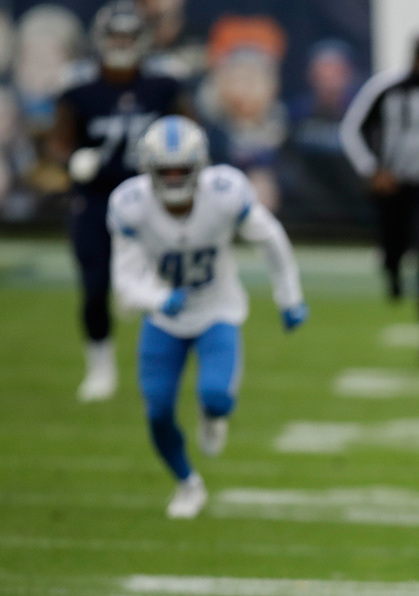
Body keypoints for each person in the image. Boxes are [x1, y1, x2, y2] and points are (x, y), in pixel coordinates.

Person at [108, 115, 306, 518]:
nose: (176, 177)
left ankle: (213, 416)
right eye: (167, 170)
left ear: (200, 166)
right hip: (164, 317)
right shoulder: (130, 204)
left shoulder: (224, 191)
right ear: (150, 169)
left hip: (218, 308)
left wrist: (289, 297)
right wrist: (157, 299)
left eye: (183, 168)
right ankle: (187, 483)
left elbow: (270, 238)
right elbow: (124, 279)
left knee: (216, 398)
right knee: (158, 410)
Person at [48, 0, 186, 402]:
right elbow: (58, 142)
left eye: (129, 36)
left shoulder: (163, 87)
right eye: (116, 36)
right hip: (95, 201)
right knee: (94, 288)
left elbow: (190, 131)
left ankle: (165, 366)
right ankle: (101, 368)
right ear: (101, 40)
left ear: (143, 40)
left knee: (167, 284)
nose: (122, 43)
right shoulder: (80, 91)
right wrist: (72, 158)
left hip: (150, 200)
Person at [339, 34, 419, 364]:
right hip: (393, 182)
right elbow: (350, 129)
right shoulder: (385, 87)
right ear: (412, 57)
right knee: (393, 247)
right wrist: (372, 170)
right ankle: (392, 270)